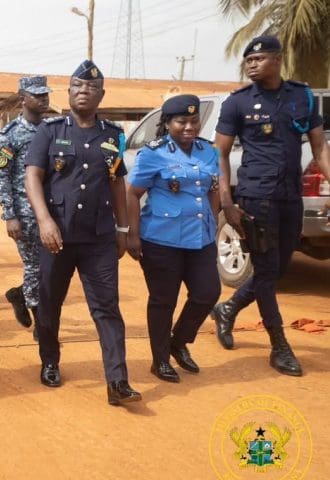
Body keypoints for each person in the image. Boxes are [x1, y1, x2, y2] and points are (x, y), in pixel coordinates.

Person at [211, 36, 330, 376]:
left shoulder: (302, 96)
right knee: (266, 272)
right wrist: (227, 202)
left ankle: (228, 308)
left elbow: (319, 147)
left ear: (277, 59)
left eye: (258, 59)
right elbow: (220, 154)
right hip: (256, 195)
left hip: (291, 196)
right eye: (248, 60)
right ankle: (279, 345)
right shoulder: (238, 103)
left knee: (278, 268)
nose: (251, 65)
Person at [24, 60, 141, 406]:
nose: (83, 91)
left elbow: (116, 181)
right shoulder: (50, 131)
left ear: (101, 95)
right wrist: (44, 220)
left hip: (99, 237)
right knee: (50, 302)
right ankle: (50, 360)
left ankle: (117, 381)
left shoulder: (113, 135)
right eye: (77, 86)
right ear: (69, 92)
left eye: (91, 87)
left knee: (107, 308)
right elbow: (32, 177)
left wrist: (123, 228)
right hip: (57, 235)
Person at [125, 95, 221, 383]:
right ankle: (160, 359)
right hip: (161, 240)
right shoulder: (153, 154)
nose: (189, 127)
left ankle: (178, 342)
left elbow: (213, 190)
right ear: (167, 124)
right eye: (181, 122)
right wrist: (132, 235)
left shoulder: (208, 151)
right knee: (163, 301)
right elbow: (132, 194)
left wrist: (213, 224)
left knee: (207, 293)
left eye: (194, 121)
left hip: (200, 239)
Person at [0, 76, 51, 333]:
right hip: (24, 212)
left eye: (45, 94)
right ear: (23, 99)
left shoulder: (54, 130)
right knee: (35, 266)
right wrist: (10, 215)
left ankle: (20, 294)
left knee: (51, 267)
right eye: (37, 95)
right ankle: (41, 322)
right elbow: (1, 175)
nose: (43, 99)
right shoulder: (11, 134)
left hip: (52, 210)